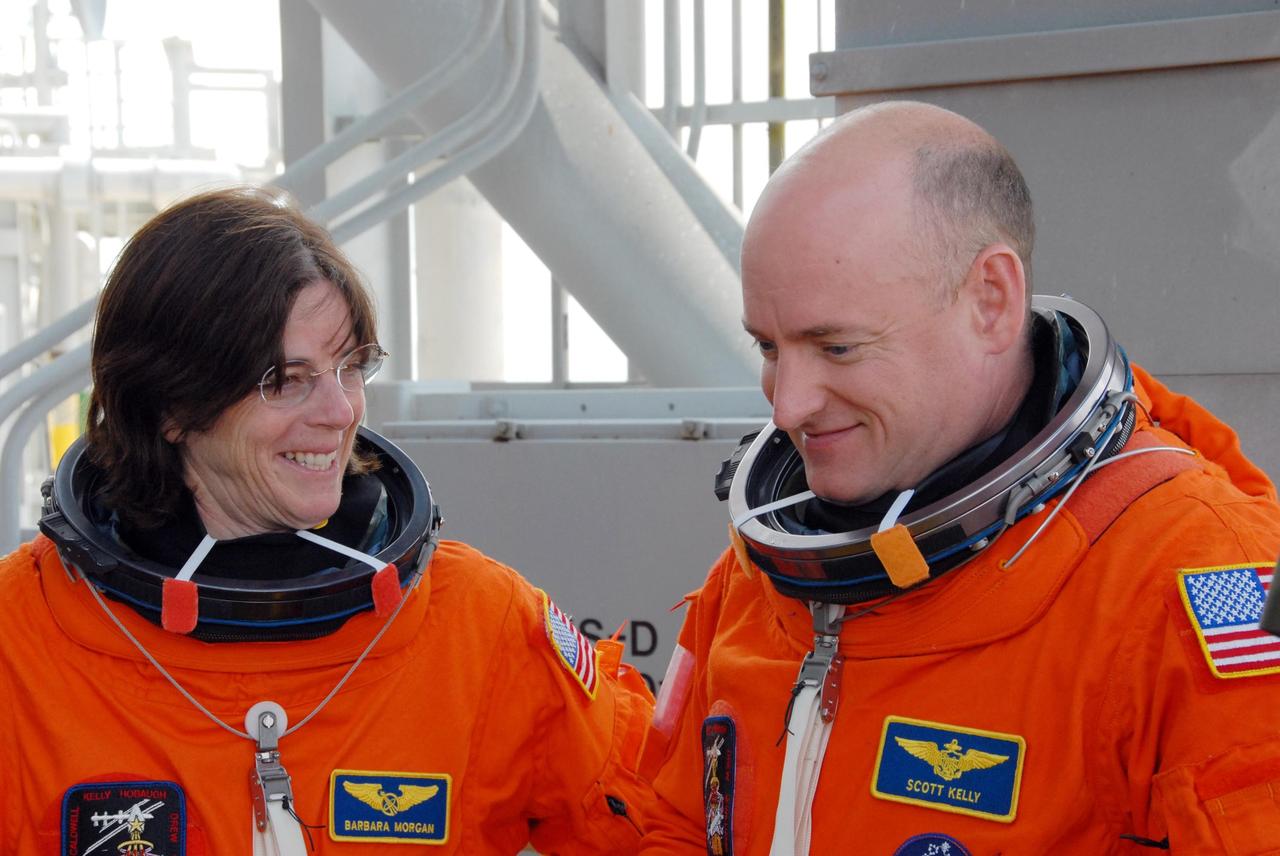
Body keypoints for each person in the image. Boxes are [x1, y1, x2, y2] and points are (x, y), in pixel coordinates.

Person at [638, 101, 1280, 854]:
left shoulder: (1185, 585)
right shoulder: (765, 570)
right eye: (769, 347)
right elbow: (672, 828)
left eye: (837, 347)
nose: (788, 407)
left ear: (991, 302)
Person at [0, 186, 652, 854]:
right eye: (285, 380)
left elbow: (663, 820)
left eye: (351, 368)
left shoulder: (479, 628)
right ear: (171, 406)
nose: (340, 413)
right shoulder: (20, 645)